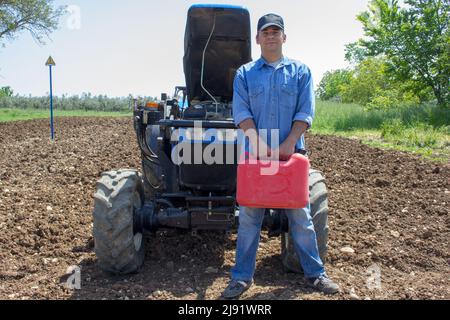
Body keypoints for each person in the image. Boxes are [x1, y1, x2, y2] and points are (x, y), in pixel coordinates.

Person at [222, 13, 340, 299]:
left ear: (284, 37)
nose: (271, 36)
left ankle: (315, 274)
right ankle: (240, 279)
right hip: (255, 156)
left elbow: (305, 112)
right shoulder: (245, 74)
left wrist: (288, 143)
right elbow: (242, 113)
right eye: (266, 32)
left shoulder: (301, 72)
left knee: (300, 216)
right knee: (250, 217)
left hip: (290, 156)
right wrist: (258, 144)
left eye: (276, 32)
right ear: (258, 39)